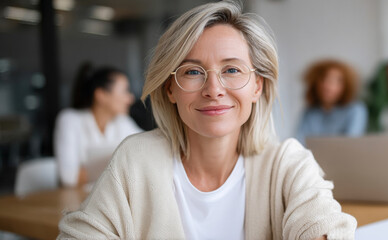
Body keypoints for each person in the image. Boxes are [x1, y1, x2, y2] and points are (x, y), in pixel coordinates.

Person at [58, 1, 356, 239]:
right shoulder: (136, 159)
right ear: (170, 88)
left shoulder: (288, 163)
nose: (214, 90)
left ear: (257, 87)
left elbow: (323, 224)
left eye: (232, 70)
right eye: (192, 71)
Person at [54, 64, 141, 188]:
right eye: (125, 91)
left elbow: (144, 147)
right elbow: (69, 177)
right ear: (101, 95)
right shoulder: (69, 120)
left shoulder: (122, 122)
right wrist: (119, 163)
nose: (130, 98)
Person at [296, 59, 368, 144]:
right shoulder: (310, 112)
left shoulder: (356, 110)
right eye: (323, 80)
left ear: (345, 86)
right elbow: (299, 142)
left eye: (335, 81)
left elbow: (351, 144)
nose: (327, 86)